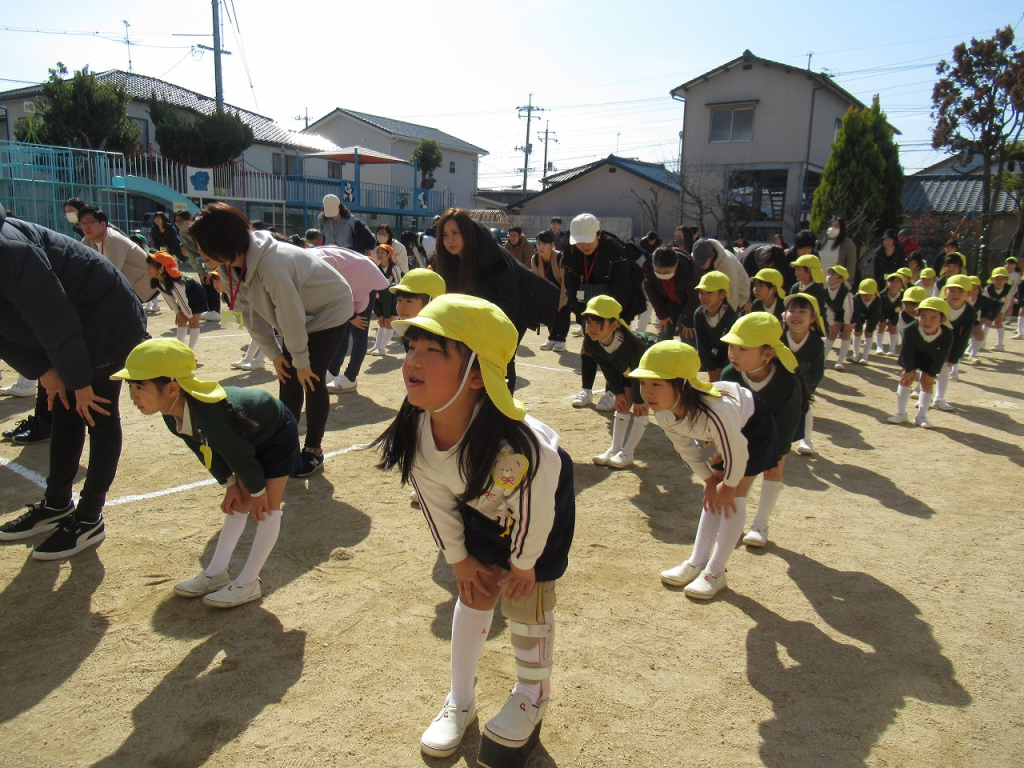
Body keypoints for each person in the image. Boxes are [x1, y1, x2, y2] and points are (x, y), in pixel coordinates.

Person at [372, 295, 575, 762]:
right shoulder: (418, 430)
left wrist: (524, 566)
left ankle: (531, 691)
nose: (412, 362)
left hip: (539, 506)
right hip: (481, 504)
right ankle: (460, 700)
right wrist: (458, 558)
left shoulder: (522, 450)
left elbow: (535, 512)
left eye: (433, 351)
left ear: (478, 375)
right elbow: (436, 501)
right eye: (411, 348)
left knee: (529, 597)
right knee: (475, 587)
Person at [0, 205, 146, 559]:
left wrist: (78, 380)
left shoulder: (8, 248)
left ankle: (90, 516)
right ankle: (57, 504)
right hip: (70, 326)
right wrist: (44, 370)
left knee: (95, 409)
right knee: (64, 408)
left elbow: (53, 316)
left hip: (106, 319)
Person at [113, 339, 300, 607]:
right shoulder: (170, 413)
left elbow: (238, 453)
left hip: (276, 432)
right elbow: (204, 450)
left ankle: (248, 583)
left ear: (172, 388)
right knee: (238, 504)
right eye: (130, 387)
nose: (133, 396)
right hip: (246, 440)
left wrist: (257, 490)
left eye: (139, 386)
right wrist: (230, 483)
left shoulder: (210, 414)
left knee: (267, 508)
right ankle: (216, 573)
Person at [188, 203, 353, 478]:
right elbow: (250, 315)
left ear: (223, 240)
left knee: (310, 377)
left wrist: (301, 361)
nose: (199, 253)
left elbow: (290, 317)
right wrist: (275, 355)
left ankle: (313, 450)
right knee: (288, 377)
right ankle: (285, 448)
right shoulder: (230, 266)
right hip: (299, 314)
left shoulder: (272, 265)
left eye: (203, 245)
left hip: (329, 310)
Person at [632, 341, 777, 599]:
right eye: (643, 383)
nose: (647, 392)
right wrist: (710, 480)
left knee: (734, 495)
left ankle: (715, 572)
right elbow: (687, 448)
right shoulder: (665, 412)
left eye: (657, 384)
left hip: (752, 429)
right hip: (713, 437)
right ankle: (696, 562)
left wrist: (729, 485)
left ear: (683, 384)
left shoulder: (716, 412)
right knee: (714, 493)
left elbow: (737, 450)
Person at [435, 208, 554, 392]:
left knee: (502, 359)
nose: (450, 240)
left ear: (467, 232)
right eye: (445, 235)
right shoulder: (449, 260)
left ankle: (504, 411)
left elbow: (509, 298)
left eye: (455, 233)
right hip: (487, 310)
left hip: (518, 307)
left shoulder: (491, 256)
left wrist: (499, 333)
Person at [718, 313, 806, 550]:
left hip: (779, 428)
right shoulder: (730, 375)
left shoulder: (788, 383)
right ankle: (732, 522)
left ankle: (761, 524)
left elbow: (787, 422)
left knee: (773, 469)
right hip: (745, 429)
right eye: (732, 346)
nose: (733, 354)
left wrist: (775, 453)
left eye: (743, 349)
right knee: (736, 475)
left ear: (768, 354)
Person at [561, 214, 635, 409]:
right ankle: (586, 390)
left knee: (615, 351)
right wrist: (580, 312)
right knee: (589, 347)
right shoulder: (571, 252)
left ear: (599, 234)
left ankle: (612, 391)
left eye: (588, 241)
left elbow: (623, 287)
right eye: (579, 242)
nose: (584, 246)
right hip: (587, 309)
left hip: (613, 309)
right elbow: (570, 284)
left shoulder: (615, 250)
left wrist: (613, 316)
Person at [580, 296, 654, 469]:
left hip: (649, 372)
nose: (591, 327)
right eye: (588, 321)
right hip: (628, 373)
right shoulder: (593, 342)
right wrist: (618, 392)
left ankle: (628, 453)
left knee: (641, 409)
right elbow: (608, 369)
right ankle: (615, 450)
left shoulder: (633, 345)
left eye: (598, 322)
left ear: (614, 325)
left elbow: (638, 373)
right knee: (622, 405)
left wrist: (639, 399)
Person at [314, 245, 393, 395]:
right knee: (343, 331)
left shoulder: (317, 263)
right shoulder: (308, 260)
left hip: (362, 280)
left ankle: (350, 377)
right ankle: (332, 371)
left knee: (359, 332)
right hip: (352, 282)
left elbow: (338, 291)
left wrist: (352, 316)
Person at [887, 298, 954, 429]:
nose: (927, 321)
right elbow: (907, 351)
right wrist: (908, 369)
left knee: (927, 383)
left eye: (933, 318)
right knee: (905, 380)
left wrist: (932, 374)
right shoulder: (910, 329)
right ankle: (901, 413)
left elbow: (941, 357)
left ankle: (921, 416)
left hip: (931, 357)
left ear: (943, 319)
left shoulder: (947, 335)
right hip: (912, 355)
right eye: (923, 316)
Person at [78, 206, 156, 304]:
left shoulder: (113, 239)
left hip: (143, 286)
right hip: (126, 287)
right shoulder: (88, 240)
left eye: (89, 222)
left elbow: (112, 271)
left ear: (103, 224)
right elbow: (79, 263)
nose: (85, 226)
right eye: (82, 223)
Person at [782, 294, 826, 455]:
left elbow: (817, 372)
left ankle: (806, 440)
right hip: (777, 383)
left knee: (805, 408)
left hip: (803, 386)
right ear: (784, 315)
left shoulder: (816, 343)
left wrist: (804, 391)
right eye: (791, 311)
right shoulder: (777, 337)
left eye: (802, 311)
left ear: (813, 317)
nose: (796, 315)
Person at [146, 252, 208, 350]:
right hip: (184, 298)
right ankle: (179, 349)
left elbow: (182, 300)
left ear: (161, 269)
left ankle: (190, 350)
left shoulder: (175, 283)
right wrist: (178, 313)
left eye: (150, 266)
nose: (147, 269)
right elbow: (170, 299)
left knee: (194, 322)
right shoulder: (158, 281)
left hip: (196, 294)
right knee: (181, 320)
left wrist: (190, 316)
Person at [643, 244, 700, 342]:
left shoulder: (688, 269)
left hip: (689, 303)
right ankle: (660, 354)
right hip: (670, 300)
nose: (662, 275)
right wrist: (662, 315)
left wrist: (688, 320)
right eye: (658, 272)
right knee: (664, 330)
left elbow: (694, 297)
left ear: (676, 264)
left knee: (688, 333)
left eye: (666, 273)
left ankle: (688, 355)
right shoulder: (648, 268)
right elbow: (652, 294)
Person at [934, 275, 977, 400]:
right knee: (927, 366)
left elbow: (964, 336)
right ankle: (920, 390)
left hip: (952, 343)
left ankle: (939, 398)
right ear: (945, 290)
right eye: (951, 290)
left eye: (960, 291)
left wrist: (955, 356)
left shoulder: (970, 312)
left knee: (945, 367)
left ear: (968, 293)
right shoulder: (937, 305)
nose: (955, 294)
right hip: (932, 340)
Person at [176, 210, 221, 323]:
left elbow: (211, 248)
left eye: (181, 220)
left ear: (189, 219)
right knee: (205, 281)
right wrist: (201, 271)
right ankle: (210, 310)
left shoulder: (200, 229)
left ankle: (217, 310)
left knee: (216, 282)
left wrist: (210, 270)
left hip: (215, 257)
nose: (179, 223)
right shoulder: (182, 234)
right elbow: (192, 254)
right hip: (201, 259)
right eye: (176, 221)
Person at [693, 271, 738, 382]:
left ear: (722, 294)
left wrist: (723, 367)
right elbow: (702, 344)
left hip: (728, 361)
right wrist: (710, 366)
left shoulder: (731, 316)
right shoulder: (699, 315)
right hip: (710, 360)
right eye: (701, 293)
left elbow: (733, 345)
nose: (704, 297)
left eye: (709, 293)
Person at [532, 230, 570, 351]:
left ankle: (561, 340)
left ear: (552, 245)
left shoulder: (560, 257)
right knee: (550, 313)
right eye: (538, 244)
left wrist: (563, 299)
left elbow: (566, 280)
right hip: (548, 289)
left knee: (563, 312)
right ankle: (552, 338)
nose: (541, 247)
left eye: (544, 244)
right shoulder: (535, 259)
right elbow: (538, 281)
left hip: (564, 288)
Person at [690, 238, 751, 313]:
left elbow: (732, 292)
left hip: (738, 293)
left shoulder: (726, 263)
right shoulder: (695, 256)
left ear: (712, 255)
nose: (700, 265)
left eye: (703, 262)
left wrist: (731, 317)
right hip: (714, 294)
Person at [368, 243, 405, 356]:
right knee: (383, 322)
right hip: (383, 299)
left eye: (382, 252)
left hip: (396, 298)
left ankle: (382, 348)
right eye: (378, 252)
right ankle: (377, 346)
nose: (379, 255)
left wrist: (399, 302)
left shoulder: (395, 268)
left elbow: (400, 285)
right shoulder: (377, 269)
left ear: (389, 255)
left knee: (390, 322)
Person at [823, 265, 855, 371]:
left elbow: (849, 311)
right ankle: (822, 358)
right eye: (829, 274)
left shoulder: (846, 294)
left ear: (841, 279)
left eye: (833, 274)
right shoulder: (825, 291)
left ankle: (840, 361)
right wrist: (832, 323)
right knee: (832, 332)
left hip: (850, 313)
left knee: (846, 332)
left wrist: (847, 323)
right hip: (835, 312)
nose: (829, 276)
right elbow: (827, 308)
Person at [851, 279, 883, 365]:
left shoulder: (878, 300)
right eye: (864, 294)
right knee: (856, 333)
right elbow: (855, 313)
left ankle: (865, 357)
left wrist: (870, 329)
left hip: (871, 315)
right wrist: (858, 327)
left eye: (870, 294)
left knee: (869, 334)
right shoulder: (856, 299)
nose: (867, 297)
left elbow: (876, 316)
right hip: (859, 315)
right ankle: (855, 355)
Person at [818, 217, 857, 285]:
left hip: (836, 285)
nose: (832, 228)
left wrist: (847, 284)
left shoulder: (847, 244)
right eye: (831, 225)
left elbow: (850, 265)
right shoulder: (820, 243)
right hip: (819, 284)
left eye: (836, 226)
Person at [789, 253, 828, 320]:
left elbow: (821, 314)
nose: (795, 272)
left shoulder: (818, 290)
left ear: (809, 270)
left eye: (798, 269)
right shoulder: (795, 287)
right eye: (795, 269)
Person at [876, 273, 906, 356]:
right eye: (892, 281)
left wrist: (894, 318)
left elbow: (901, 307)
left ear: (901, 285)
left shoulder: (903, 296)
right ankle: (879, 347)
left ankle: (892, 349)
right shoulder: (881, 295)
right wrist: (882, 319)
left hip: (895, 312)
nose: (894, 284)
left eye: (897, 282)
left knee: (893, 327)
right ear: (887, 283)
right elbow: (879, 307)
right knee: (881, 325)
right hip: (882, 311)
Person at [984, 267, 1013, 351]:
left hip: (1001, 307)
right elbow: (986, 302)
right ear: (992, 279)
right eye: (996, 278)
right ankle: (982, 343)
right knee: (987, 322)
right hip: (990, 307)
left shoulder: (1008, 289)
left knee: (998, 322)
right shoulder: (988, 289)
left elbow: (1008, 301)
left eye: (1002, 279)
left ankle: (1000, 344)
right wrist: (990, 313)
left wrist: (1002, 312)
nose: (999, 281)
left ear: (1006, 280)